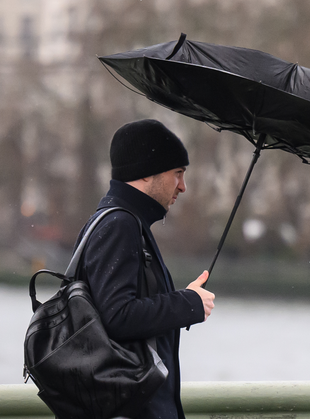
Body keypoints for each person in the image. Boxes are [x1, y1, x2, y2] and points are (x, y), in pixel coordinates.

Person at [73, 119, 215, 419]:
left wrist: (184, 301)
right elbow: (117, 316)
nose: (183, 187)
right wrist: (187, 304)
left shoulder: (119, 221)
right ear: (148, 172)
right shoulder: (120, 224)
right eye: (177, 173)